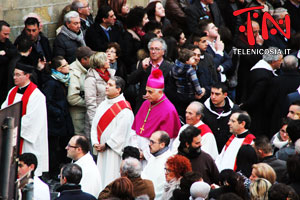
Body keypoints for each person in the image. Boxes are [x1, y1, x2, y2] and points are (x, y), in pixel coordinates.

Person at [1, 62, 48, 177]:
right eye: (14, 74)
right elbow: (4, 110)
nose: (14, 77)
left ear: (27, 76)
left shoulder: (37, 95)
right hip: (12, 135)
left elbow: (32, 120)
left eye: (18, 75)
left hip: (26, 140)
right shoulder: (12, 91)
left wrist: (12, 127)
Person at [91, 76, 134, 190]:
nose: (106, 87)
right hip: (101, 149)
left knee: (111, 176)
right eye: (107, 84)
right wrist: (95, 142)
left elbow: (122, 132)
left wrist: (107, 145)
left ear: (118, 89)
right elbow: (94, 125)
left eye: (110, 85)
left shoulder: (125, 109)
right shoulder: (103, 104)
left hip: (113, 152)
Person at [130, 68, 181, 163]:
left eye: (150, 92)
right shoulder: (146, 104)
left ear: (160, 92)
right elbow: (134, 130)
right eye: (146, 91)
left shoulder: (169, 110)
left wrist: (145, 154)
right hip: (137, 155)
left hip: (153, 159)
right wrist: (136, 150)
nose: (146, 95)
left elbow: (166, 143)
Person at [42, 56, 74, 179]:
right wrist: (58, 112)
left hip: (62, 118)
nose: (68, 67)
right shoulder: (51, 83)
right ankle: (53, 171)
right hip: (55, 121)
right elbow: (47, 101)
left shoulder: (62, 80)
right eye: (65, 65)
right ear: (58, 69)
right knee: (54, 147)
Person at [240, 47, 283, 135]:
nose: (281, 62)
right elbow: (255, 98)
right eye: (280, 59)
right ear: (273, 61)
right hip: (258, 117)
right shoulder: (264, 76)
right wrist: (243, 106)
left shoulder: (257, 70)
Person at [127, 37, 173, 112]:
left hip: (160, 106)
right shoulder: (144, 63)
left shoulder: (169, 67)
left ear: (163, 52)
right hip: (142, 105)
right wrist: (142, 69)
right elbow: (131, 80)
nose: (153, 51)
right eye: (151, 49)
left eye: (157, 49)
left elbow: (170, 90)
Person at [84, 52, 115, 136]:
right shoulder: (91, 79)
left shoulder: (111, 75)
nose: (108, 61)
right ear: (100, 62)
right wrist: (95, 123)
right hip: (97, 116)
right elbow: (90, 103)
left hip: (110, 114)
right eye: (106, 60)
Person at [203, 82, 240, 152]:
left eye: (217, 94)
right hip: (208, 148)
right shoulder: (204, 109)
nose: (213, 97)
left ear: (225, 95)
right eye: (212, 93)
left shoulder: (235, 110)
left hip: (228, 149)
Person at [170, 48, 205, 117]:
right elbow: (196, 84)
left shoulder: (174, 66)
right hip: (189, 96)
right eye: (192, 58)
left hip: (178, 94)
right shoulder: (190, 70)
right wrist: (201, 91)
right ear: (187, 61)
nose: (194, 59)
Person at [67, 46, 94, 135]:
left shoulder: (86, 69)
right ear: (83, 60)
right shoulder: (74, 73)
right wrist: (89, 103)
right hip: (78, 116)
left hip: (84, 113)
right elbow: (72, 98)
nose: (92, 61)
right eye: (90, 59)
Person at [141, 131, 173, 200]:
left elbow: (163, 188)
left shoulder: (169, 161)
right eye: (150, 141)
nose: (149, 144)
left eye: (152, 142)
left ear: (162, 145)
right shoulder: (153, 156)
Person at [0, 20, 17, 105]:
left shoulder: (6, 42)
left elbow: (15, 52)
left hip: (5, 82)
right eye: (5, 34)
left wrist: (5, 52)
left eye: (8, 34)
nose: (7, 37)